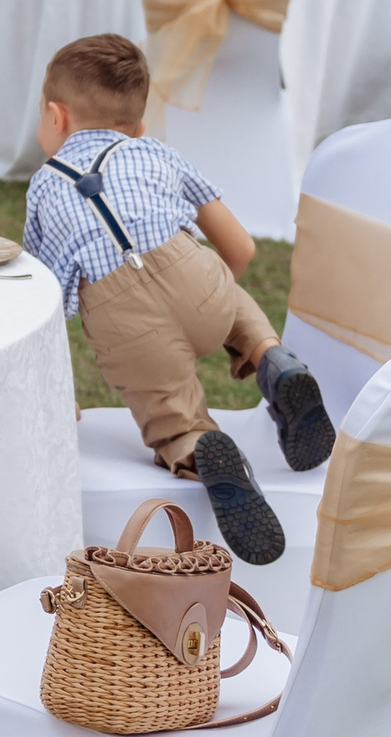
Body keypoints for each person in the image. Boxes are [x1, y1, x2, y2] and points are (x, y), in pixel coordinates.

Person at [20, 34, 334, 565]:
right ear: (138, 126)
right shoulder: (154, 151)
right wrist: (211, 295)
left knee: (174, 416)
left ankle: (198, 445)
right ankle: (270, 358)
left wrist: (55, 391)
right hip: (196, 275)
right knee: (232, 302)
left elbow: (41, 305)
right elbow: (241, 246)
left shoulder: (44, 188)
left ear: (56, 116)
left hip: (127, 322)